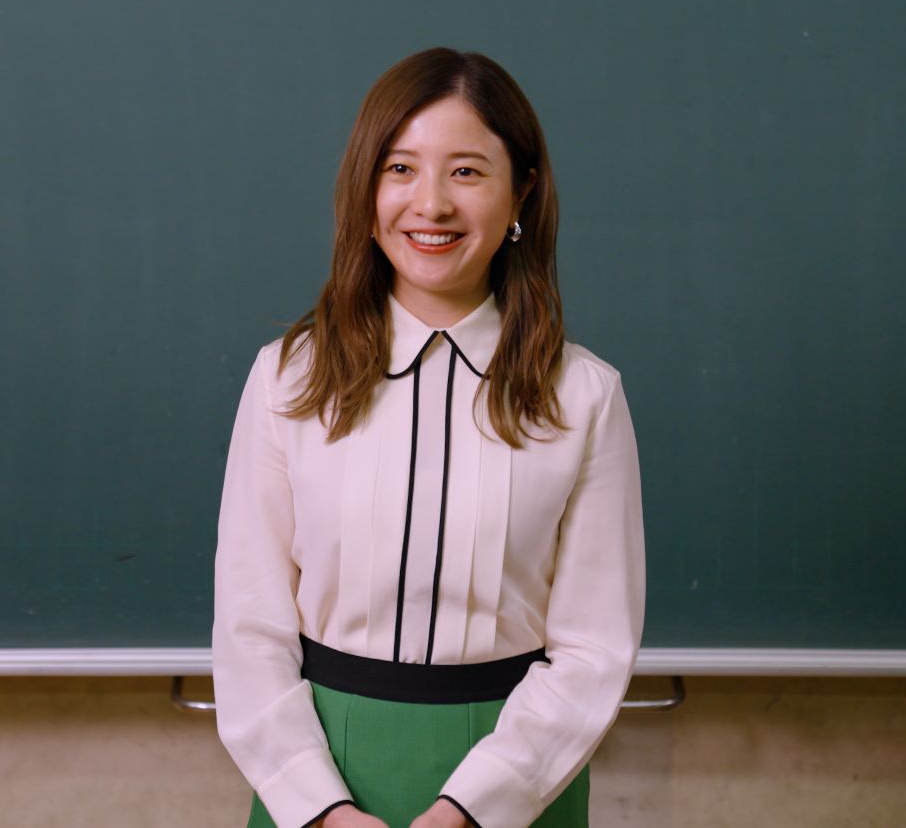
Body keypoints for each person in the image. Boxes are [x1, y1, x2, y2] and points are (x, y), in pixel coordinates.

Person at [212, 47, 644, 828]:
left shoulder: (584, 397)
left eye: (467, 172)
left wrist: (473, 808)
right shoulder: (287, 378)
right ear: (365, 188)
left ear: (522, 192)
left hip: (517, 784)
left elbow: (593, 648)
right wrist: (320, 807)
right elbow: (249, 626)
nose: (431, 204)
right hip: (316, 774)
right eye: (400, 169)